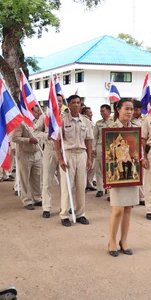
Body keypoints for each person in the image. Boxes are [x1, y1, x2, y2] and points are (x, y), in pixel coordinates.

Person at [107, 98, 139, 257]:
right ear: (118, 109)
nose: (129, 112)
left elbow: (138, 150)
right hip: (116, 173)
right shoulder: (110, 128)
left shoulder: (136, 128)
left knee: (128, 208)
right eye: (126, 108)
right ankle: (112, 241)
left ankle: (123, 241)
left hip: (131, 172)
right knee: (118, 209)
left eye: (131, 109)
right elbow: (106, 153)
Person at [56, 95, 93, 227]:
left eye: (78, 103)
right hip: (68, 155)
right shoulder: (62, 121)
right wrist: (60, 158)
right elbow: (57, 141)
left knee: (81, 186)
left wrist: (89, 158)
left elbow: (89, 140)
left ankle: (80, 214)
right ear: (69, 105)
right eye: (73, 103)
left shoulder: (86, 121)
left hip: (81, 154)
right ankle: (65, 215)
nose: (76, 105)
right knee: (67, 186)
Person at [33, 104, 60, 218]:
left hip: (64, 152)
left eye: (60, 101)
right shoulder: (45, 117)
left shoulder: (65, 116)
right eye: (56, 101)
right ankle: (46, 207)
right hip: (50, 150)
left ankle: (65, 206)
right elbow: (35, 132)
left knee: (64, 181)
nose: (58, 103)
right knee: (46, 181)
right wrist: (46, 135)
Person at [12, 122, 42, 210]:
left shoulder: (35, 122)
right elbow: (15, 138)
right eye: (35, 112)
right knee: (25, 178)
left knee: (37, 177)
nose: (36, 114)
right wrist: (28, 140)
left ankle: (37, 198)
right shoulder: (20, 123)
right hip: (25, 154)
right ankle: (27, 200)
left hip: (36, 153)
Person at [93, 104, 112, 198]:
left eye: (103, 111)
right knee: (99, 169)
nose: (101, 113)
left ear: (109, 111)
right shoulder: (98, 123)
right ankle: (100, 189)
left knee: (109, 169)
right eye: (100, 111)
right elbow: (94, 137)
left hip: (110, 147)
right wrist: (93, 149)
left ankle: (109, 190)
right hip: (100, 146)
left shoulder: (114, 122)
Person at [130, 100, 145, 205]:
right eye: (132, 109)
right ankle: (138, 196)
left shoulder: (146, 120)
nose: (134, 112)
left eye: (136, 109)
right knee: (133, 172)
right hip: (131, 148)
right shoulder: (128, 120)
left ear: (140, 109)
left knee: (142, 174)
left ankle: (141, 196)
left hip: (142, 148)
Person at [82, 106, 98, 191]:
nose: (91, 114)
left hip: (92, 146)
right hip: (88, 147)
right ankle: (84, 184)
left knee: (91, 167)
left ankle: (89, 183)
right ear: (85, 113)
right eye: (89, 112)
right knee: (87, 167)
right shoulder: (85, 121)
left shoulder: (90, 122)